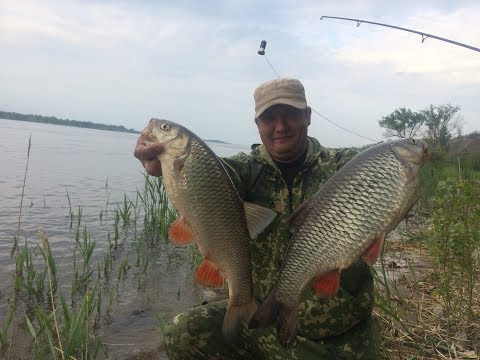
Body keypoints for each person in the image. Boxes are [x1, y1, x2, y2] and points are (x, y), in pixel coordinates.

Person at [134, 78, 380, 359]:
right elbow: (215, 175)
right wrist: (159, 164)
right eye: (269, 118)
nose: (280, 126)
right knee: (182, 334)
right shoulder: (246, 169)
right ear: (257, 124)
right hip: (263, 317)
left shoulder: (341, 167)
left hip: (334, 331)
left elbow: (380, 176)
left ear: (308, 116)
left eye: (290, 115)